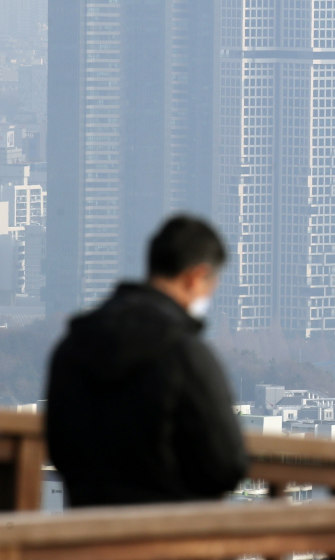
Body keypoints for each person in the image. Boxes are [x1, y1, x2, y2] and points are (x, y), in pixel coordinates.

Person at [46, 215, 248, 506]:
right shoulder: (185, 355)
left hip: (85, 528)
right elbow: (226, 465)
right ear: (195, 277)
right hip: (166, 534)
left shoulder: (75, 344)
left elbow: (59, 447)